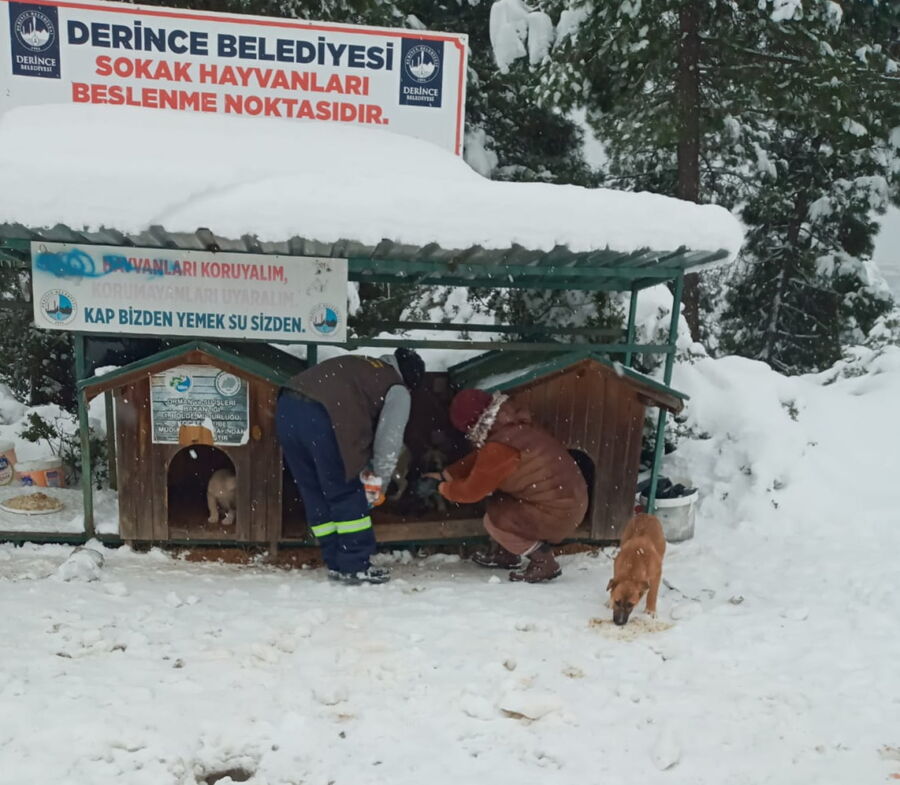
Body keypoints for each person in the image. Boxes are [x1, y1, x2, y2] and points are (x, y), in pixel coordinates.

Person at [276, 349, 425, 584]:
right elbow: (389, 443)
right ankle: (354, 565)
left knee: (314, 490)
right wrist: (378, 484)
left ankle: (335, 561)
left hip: (287, 407)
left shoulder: (364, 365)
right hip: (324, 416)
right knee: (346, 490)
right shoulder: (397, 389)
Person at [432, 389, 588, 583]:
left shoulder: (500, 448)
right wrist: (445, 475)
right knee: (500, 502)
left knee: (496, 520)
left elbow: (471, 492)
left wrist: (441, 488)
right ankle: (508, 554)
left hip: (558, 513)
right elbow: (478, 461)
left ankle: (543, 560)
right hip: (569, 503)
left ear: (473, 426)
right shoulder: (512, 430)